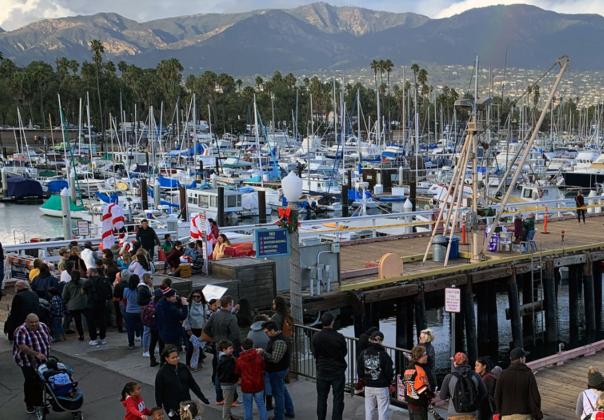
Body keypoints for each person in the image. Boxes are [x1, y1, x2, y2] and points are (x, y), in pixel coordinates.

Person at [204, 295, 241, 404]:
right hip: (228, 347)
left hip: (217, 346)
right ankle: (233, 399)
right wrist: (237, 349)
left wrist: (214, 338)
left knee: (218, 371)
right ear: (229, 305)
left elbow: (206, 329)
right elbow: (236, 335)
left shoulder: (214, 315)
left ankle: (219, 398)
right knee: (230, 373)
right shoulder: (231, 317)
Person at [155, 346, 209, 419]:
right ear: (166, 359)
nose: (176, 359)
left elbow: (192, 384)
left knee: (187, 418)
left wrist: (202, 397)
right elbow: (158, 392)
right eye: (173, 358)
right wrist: (159, 407)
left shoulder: (183, 367)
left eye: (177, 356)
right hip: (171, 407)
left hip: (186, 403)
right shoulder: (162, 373)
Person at [312, 312, 347, 420]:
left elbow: (314, 353)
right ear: (332, 322)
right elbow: (344, 352)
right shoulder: (339, 337)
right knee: (338, 398)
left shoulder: (316, 337)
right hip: (337, 371)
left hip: (322, 370)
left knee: (322, 398)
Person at [13, 313, 50, 414]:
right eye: (31, 323)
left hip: (42, 360)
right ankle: (29, 404)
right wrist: (36, 353)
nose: (34, 324)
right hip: (26, 361)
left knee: (41, 381)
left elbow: (47, 339)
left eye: (36, 322)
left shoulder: (43, 326)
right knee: (31, 381)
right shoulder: (20, 330)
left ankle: (39, 402)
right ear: (26, 321)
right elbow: (22, 346)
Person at [259, 321, 295, 420]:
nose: (266, 334)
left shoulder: (279, 341)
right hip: (279, 370)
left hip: (277, 371)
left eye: (267, 332)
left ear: (273, 330)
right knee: (282, 390)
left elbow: (275, 359)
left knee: (278, 395)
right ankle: (290, 410)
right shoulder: (275, 338)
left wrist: (263, 352)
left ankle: (279, 416)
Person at [494, 347, 543, 420]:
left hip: (506, 415)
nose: (525, 359)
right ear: (521, 359)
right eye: (524, 357)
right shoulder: (528, 374)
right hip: (524, 414)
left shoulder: (503, 374)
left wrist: (500, 412)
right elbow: (535, 396)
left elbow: (497, 395)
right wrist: (536, 414)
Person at [357, 330, 393, 420]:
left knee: (369, 409)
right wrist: (389, 382)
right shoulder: (384, 354)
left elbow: (360, 370)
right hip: (382, 386)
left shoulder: (363, 353)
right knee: (383, 410)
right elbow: (389, 372)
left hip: (368, 385)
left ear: (370, 339)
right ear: (381, 341)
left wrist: (363, 379)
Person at [440, 352, 486, 420]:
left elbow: (442, 396)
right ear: (467, 361)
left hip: (454, 414)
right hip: (472, 414)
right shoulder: (475, 376)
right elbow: (484, 392)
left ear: (455, 363)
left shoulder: (449, 377)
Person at [236, 338, 268, 420]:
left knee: (247, 407)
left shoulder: (239, 360)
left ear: (242, 347)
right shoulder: (259, 357)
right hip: (259, 384)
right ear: (252, 345)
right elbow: (263, 368)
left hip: (246, 386)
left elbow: (237, 372)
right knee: (261, 406)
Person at [83, 268, 113, 346]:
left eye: (88, 273)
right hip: (102, 304)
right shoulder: (104, 280)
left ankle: (93, 339)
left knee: (91, 322)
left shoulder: (88, 282)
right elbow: (109, 291)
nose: (87, 275)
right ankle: (103, 338)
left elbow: (83, 292)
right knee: (102, 321)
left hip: (91, 305)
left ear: (92, 273)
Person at [403, 346, 434, 420]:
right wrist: (431, 395)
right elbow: (421, 389)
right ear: (420, 357)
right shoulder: (420, 370)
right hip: (419, 403)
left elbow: (405, 382)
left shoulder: (409, 368)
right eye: (425, 354)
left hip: (410, 401)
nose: (427, 356)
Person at [155, 288, 188, 353]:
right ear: (168, 297)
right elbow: (183, 316)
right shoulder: (171, 309)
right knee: (172, 352)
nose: (175, 297)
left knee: (165, 351)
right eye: (174, 296)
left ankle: (163, 361)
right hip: (173, 334)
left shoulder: (160, 304)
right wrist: (185, 305)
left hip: (163, 332)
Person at [217, 339, 240, 420]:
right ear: (224, 349)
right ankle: (226, 418)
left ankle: (230, 416)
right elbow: (231, 373)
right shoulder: (228, 360)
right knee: (227, 403)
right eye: (230, 348)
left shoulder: (222, 358)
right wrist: (236, 378)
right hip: (229, 384)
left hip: (225, 383)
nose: (232, 350)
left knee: (228, 402)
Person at [61, 271, 87, 341]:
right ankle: (93, 332)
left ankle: (81, 335)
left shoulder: (68, 285)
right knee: (89, 319)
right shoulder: (84, 282)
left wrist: (65, 303)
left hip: (73, 305)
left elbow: (64, 296)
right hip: (84, 303)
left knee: (77, 321)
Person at [185, 290, 207, 370]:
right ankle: (188, 364)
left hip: (201, 329)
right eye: (194, 296)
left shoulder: (204, 305)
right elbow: (186, 318)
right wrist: (188, 329)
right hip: (191, 329)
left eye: (198, 296)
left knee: (200, 346)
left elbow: (205, 318)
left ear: (201, 297)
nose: (196, 298)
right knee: (191, 347)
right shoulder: (189, 305)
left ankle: (199, 362)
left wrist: (204, 329)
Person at [124, 274, 143, 349]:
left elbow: (124, 298)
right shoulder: (140, 290)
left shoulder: (126, 290)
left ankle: (131, 344)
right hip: (139, 311)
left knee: (130, 329)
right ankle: (142, 341)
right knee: (142, 327)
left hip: (129, 311)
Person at [138, 273, 154, 357]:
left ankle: (151, 347)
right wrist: (150, 299)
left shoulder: (146, 287)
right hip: (146, 311)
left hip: (148, 309)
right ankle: (145, 350)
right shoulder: (142, 288)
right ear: (147, 279)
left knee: (150, 330)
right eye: (150, 278)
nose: (151, 280)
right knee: (146, 331)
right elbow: (140, 301)